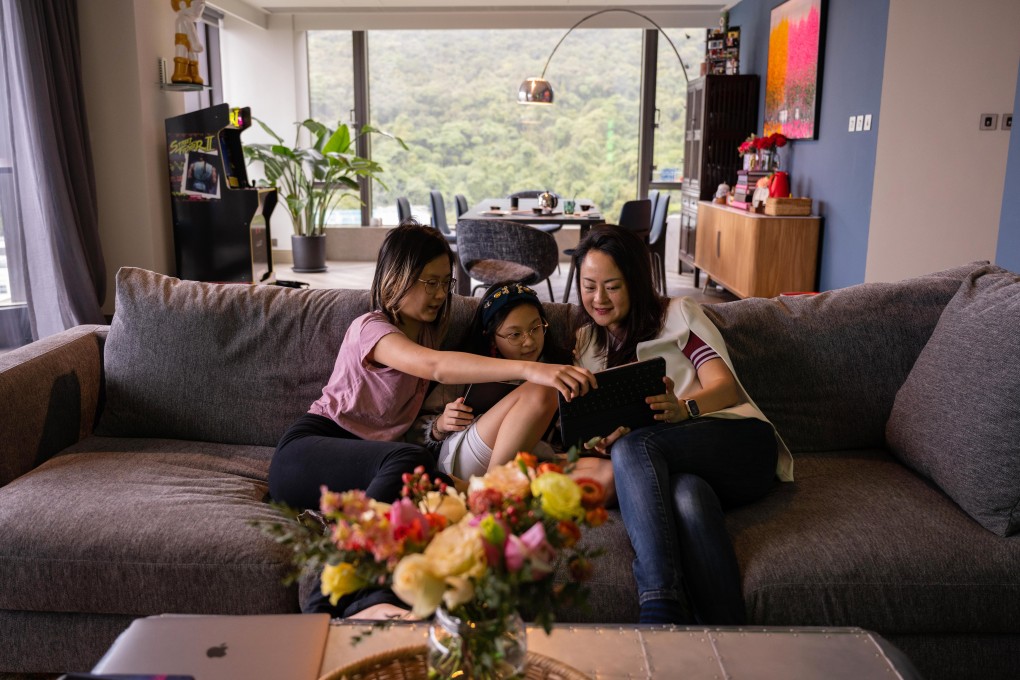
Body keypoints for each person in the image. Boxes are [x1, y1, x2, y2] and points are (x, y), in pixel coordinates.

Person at [268, 221, 595, 618]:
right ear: (397, 276)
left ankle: (377, 605)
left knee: (434, 488)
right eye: (431, 282)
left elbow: (436, 394)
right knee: (406, 462)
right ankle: (325, 599)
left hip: (369, 469)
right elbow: (437, 368)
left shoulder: (426, 334)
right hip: (307, 453)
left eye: (446, 282)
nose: (442, 295)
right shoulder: (371, 329)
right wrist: (531, 369)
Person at [570, 224, 793, 625]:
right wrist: (602, 440)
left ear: (636, 283)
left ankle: (659, 601)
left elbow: (725, 388)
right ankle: (728, 639)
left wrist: (683, 409)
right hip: (678, 468)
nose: (598, 299)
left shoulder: (677, 315)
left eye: (612, 286)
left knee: (635, 446)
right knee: (688, 496)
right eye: (589, 286)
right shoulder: (586, 344)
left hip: (737, 443)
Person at [410, 281, 571, 478]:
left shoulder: (558, 364)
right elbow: (413, 433)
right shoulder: (472, 367)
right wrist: (440, 425)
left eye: (535, 328)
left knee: (604, 473)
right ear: (492, 338)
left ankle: (504, 491)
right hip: (469, 455)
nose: (529, 341)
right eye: (515, 334)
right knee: (541, 386)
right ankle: (492, 487)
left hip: (533, 455)